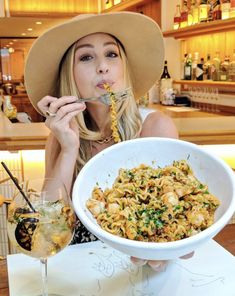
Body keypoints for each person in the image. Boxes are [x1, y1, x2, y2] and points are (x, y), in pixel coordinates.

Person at [24, 12, 191, 272]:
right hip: (79, 265)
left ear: (124, 66)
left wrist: (176, 245)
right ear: (71, 76)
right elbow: (49, 227)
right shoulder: (62, 137)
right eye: (86, 57)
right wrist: (69, 148)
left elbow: (173, 219)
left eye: (111, 54)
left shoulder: (156, 128)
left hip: (141, 265)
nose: (103, 66)